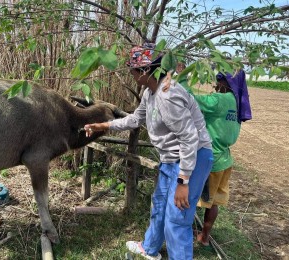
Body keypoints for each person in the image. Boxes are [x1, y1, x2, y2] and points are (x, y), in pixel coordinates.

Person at [84, 43, 213, 260]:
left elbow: (190, 138)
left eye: (133, 70)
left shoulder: (168, 95)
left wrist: (183, 181)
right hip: (171, 159)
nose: (131, 74)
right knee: (160, 204)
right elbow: (135, 119)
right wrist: (103, 126)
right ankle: (150, 248)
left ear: (145, 71)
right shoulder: (150, 92)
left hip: (193, 158)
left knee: (177, 218)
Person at [192, 70, 252, 246]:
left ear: (227, 83)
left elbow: (192, 99)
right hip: (226, 159)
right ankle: (204, 236)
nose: (216, 85)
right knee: (214, 202)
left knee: (196, 197)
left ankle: (184, 232)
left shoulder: (220, 99)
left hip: (211, 159)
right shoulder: (237, 101)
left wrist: (180, 77)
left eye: (219, 81)